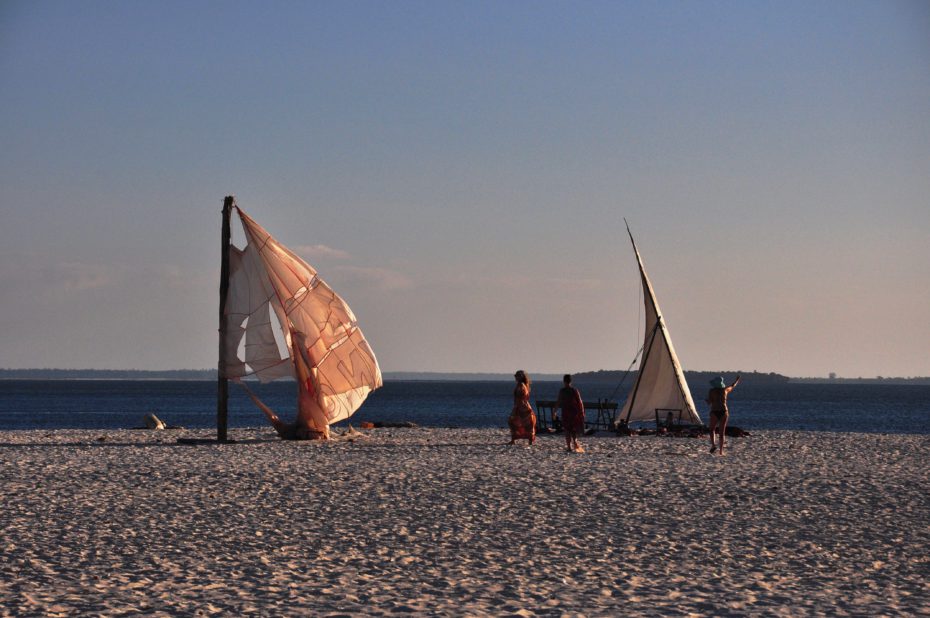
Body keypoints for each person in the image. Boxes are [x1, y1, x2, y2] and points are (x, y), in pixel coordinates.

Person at [705, 375, 741, 454]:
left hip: (715, 411)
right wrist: (737, 380)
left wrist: (707, 400)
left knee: (712, 429)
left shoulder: (712, 391)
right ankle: (721, 451)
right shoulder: (725, 390)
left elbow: (709, 402)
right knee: (722, 432)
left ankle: (713, 445)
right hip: (724, 411)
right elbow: (732, 386)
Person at [554, 374, 585, 452]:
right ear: (571, 381)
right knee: (573, 430)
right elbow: (580, 402)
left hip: (566, 412)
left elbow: (558, 402)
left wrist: (554, 411)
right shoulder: (574, 390)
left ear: (564, 381)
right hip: (574, 412)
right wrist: (581, 412)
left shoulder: (562, 391)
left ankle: (569, 447)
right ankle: (574, 442)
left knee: (567, 430)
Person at [508, 370, 536, 445]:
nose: (515, 377)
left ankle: (518, 439)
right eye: (515, 376)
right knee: (517, 422)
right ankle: (515, 439)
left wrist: (517, 406)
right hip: (521, 405)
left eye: (517, 376)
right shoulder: (521, 385)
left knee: (516, 421)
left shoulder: (521, 385)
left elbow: (521, 397)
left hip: (521, 406)